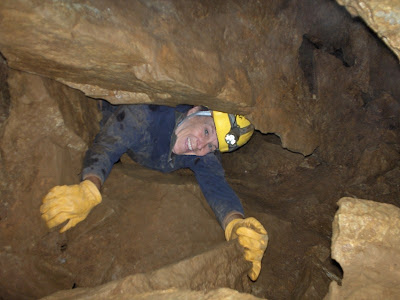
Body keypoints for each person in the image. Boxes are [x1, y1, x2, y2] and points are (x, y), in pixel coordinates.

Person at [40, 103, 268, 281]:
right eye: (206, 132)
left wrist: (236, 224)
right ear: (194, 111)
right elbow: (108, 145)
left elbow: (217, 186)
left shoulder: (201, 155)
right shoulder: (147, 115)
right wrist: (89, 187)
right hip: (102, 111)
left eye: (211, 146)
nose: (200, 147)